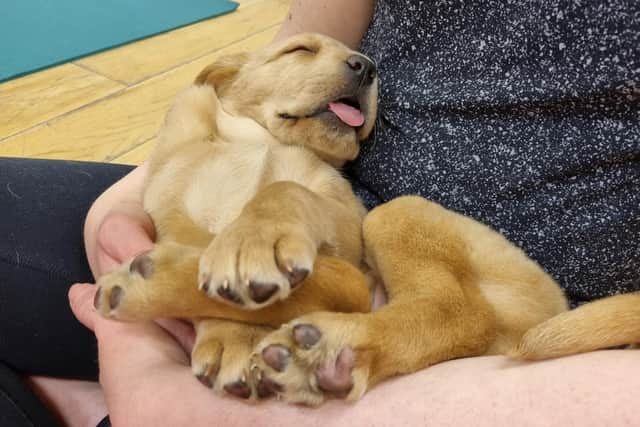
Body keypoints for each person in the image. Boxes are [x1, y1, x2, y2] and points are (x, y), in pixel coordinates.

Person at [1, 0, 638, 425]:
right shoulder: (227, 108)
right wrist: (134, 198)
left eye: (351, 69)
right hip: (330, 258)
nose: (360, 69)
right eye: (306, 56)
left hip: (488, 302)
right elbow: (276, 56)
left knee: (396, 222)